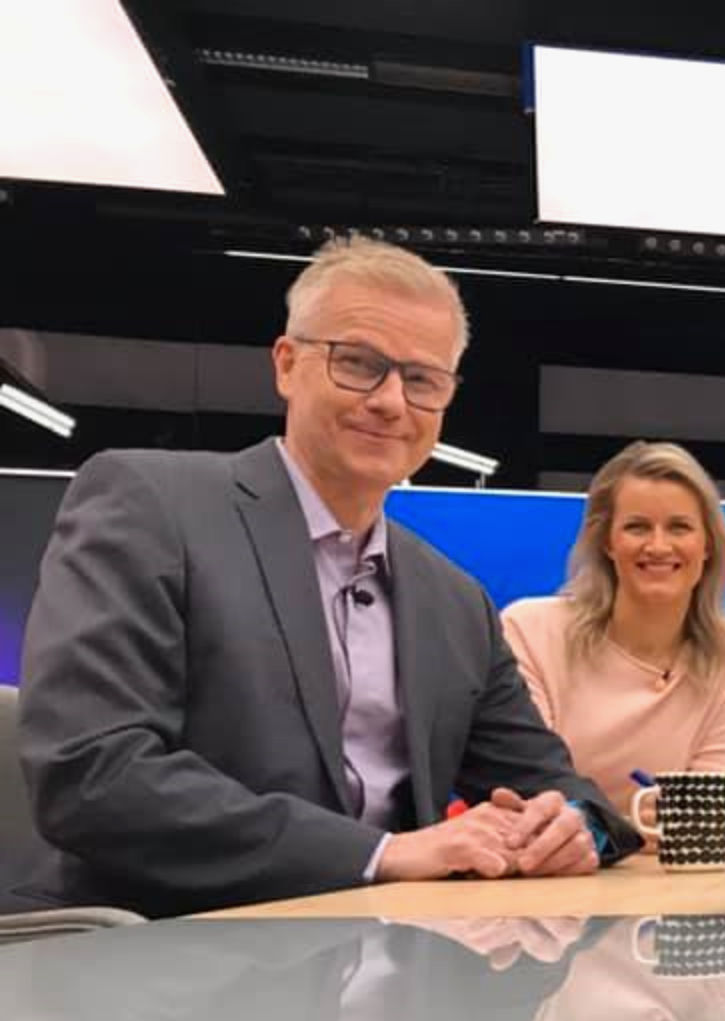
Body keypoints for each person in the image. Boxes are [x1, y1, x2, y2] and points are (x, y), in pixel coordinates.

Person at [11, 236, 637, 918]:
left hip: (394, 953)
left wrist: (576, 829)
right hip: (170, 948)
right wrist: (381, 854)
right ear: (287, 364)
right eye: (359, 363)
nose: (391, 401)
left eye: (422, 380)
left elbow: (560, 788)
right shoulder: (150, 505)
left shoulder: (455, 600)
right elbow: (93, 774)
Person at [503, 440, 725, 822]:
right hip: (550, 856)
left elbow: (702, 817)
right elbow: (535, 797)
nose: (658, 546)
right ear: (607, 542)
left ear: (708, 545)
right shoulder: (530, 631)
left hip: (654, 861)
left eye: (679, 527)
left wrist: (636, 828)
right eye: (637, 527)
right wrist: (636, 830)